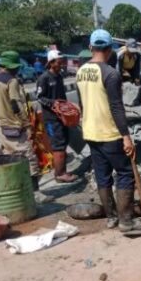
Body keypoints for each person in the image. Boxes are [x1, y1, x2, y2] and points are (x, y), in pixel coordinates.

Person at [77, 29, 141, 235]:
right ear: (109, 49)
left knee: (102, 175)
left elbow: (82, 103)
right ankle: (126, 221)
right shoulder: (110, 73)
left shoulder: (81, 72)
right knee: (125, 174)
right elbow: (117, 107)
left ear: (91, 47)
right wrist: (126, 137)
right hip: (110, 133)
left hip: (90, 132)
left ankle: (111, 218)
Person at [0, 50, 52, 204]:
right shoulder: (12, 81)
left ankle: (18, 190)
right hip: (15, 127)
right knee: (29, 159)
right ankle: (35, 194)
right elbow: (16, 104)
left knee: (11, 159)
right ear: (12, 66)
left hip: (1, 126)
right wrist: (27, 124)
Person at [36, 49, 78, 183]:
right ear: (51, 62)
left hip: (62, 117)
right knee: (58, 146)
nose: (62, 64)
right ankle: (59, 174)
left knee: (64, 143)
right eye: (59, 62)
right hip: (52, 119)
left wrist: (67, 107)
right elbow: (40, 97)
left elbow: (62, 97)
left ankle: (62, 171)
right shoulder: (44, 78)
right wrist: (53, 103)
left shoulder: (59, 76)